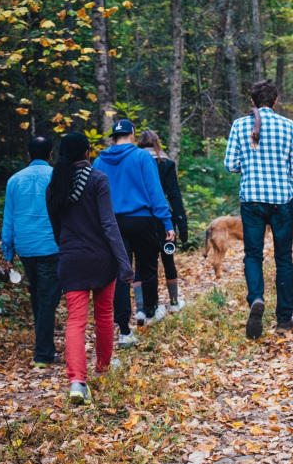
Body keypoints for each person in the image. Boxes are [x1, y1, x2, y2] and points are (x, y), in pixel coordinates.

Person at [46, 133, 133, 405]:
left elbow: (57, 229)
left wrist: (70, 249)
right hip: (100, 260)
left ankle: (76, 382)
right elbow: (109, 224)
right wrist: (124, 262)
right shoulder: (97, 179)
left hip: (71, 261)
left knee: (75, 321)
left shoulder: (54, 186)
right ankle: (103, 368)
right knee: (104, 314)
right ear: (86, 152)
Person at [224, 80, 293, 340]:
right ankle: (284, 318)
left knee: (253, 255)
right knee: (284, 259)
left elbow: (230, 165)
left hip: (252, 200)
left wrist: (249, 164)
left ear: (252, 101)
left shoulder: (239, 125)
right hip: (281, 200)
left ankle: (256, 298)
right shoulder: (290, 126)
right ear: (276, 101)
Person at [93, 120, 175, 348]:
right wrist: (167, 221)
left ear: (113, 137)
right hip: (141, 220)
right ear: (132, 135)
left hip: (112, 223)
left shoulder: (99, 161)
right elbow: (155, 191)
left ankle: (124, 330)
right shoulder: (142, 157)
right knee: (147, 267)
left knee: (121, 273)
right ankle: (148, 312)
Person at [1, 136, 62, 368]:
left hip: (26, 247)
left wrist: (8, 253)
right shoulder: (57, 177)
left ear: (28, 155)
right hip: (51, 245)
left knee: (38, 294)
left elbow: (9, 219)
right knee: (48, 298)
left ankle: (44, 344)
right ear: (50, 154)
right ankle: (44, 353)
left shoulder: (14, 180)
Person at [136, 129, 188, 312]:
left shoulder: (134, 162)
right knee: (168, 259)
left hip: (140, 218)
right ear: (157, 143)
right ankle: (174, 302)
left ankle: (142, 308)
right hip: (164, 219)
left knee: (141, 263)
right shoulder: (166, 164)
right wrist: (182, 224)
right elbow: (174, 196)